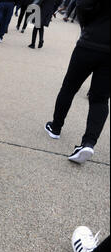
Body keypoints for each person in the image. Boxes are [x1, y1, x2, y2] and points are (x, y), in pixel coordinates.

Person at [45, 0, 109, 164]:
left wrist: (88, 25)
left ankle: (56, 127)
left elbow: (83, 5)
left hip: (90, 42)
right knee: (100, 99)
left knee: (69, 87)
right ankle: (88, 143)